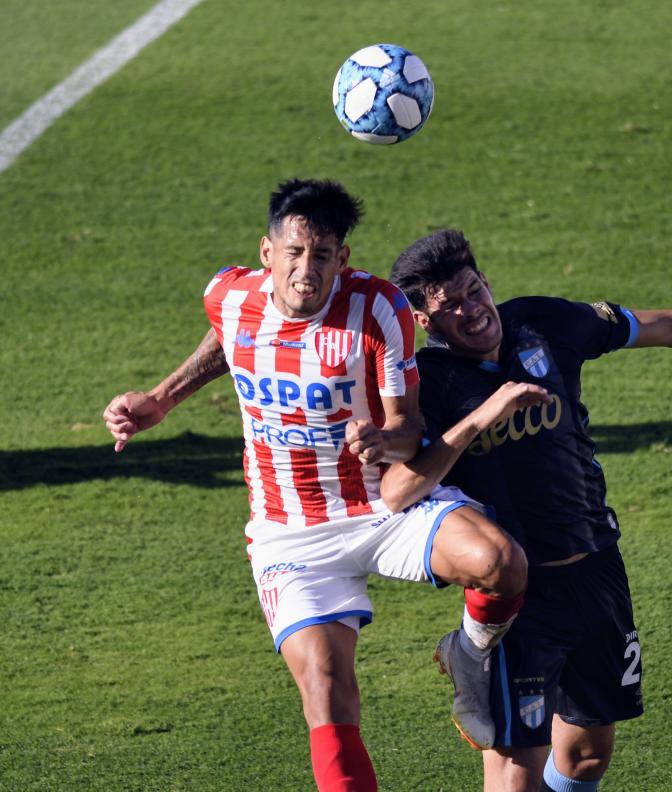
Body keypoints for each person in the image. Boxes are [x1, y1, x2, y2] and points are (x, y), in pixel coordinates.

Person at [382, 228, 672, 792]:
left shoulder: (543, 323)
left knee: (587, 755)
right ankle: (470, 651)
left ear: (486, 281)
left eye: (473, 290)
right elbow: (397, 491)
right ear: (424, 320)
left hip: (597, 573)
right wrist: (481, 417)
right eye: (450, 306)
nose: (471, 310)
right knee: (515, 770)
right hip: (517, 597)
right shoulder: (427, 382)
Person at [102, 181, 530, 792]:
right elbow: (227, 336)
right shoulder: (228, 294)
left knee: (501, 563)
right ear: (267, 252)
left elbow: (409, 427)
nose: (307, 269)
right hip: (291, 533)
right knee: (328, 695)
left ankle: (468, 652)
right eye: (295, 252)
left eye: (323, 255)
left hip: (381, 506)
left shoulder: (377, 309)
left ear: (342, 258)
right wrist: (161, 399)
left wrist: (384, 440)